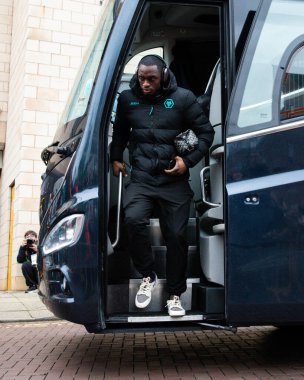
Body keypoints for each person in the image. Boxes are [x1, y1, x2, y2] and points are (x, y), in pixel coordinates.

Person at [110, 54, 214, 316]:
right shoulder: (127, 98)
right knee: (132, 220)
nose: (145, 84)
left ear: (164, 75)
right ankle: (148, 275)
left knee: (177, 236)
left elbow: (206, 133)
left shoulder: (183, 98)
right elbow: (121, 130)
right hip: (142, 178)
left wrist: (187, 161)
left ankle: (175, 295)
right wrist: (115, 156)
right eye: (141, 78)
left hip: (174, 181)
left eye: (151, 79)